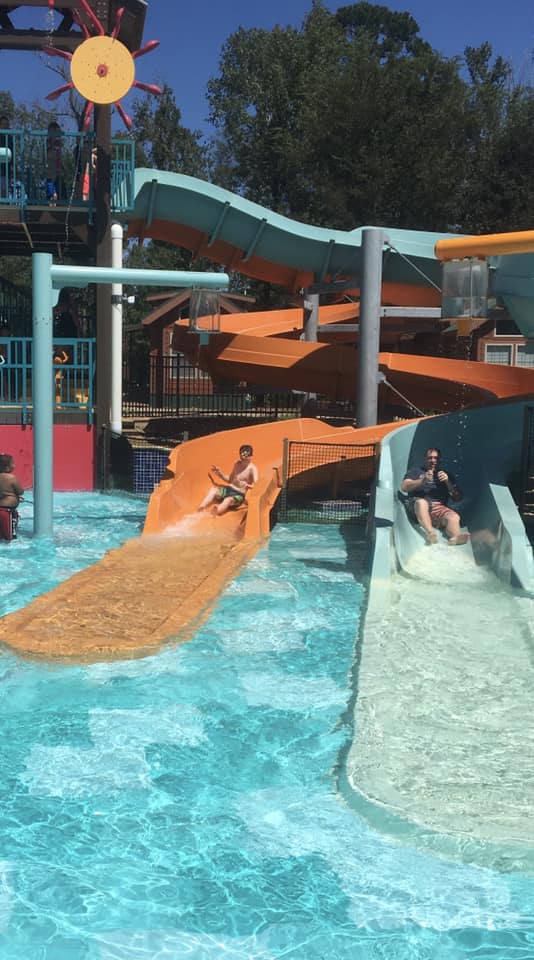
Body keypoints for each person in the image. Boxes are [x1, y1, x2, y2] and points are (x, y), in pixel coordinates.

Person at [401, 446, 469, 545]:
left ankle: (456, 537)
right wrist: (422, 480)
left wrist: (448, 482)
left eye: (436, 458)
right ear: (425, 459)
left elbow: (457, 498)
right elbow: (404, 487)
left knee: (454, 517)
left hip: (438, 509)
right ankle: (430, 532)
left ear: (439, 460)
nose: (433, 460)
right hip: (417, 505)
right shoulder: (416, 471)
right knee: (422, 503)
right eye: (430, 458)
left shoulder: (446, 475)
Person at [197, 444, 258, 516]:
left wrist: (247, 486)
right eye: (242, 455)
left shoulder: (252, 469)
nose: (243, 458)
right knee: (213, 490)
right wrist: (220, 474)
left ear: (251, 456)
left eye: (246, 455)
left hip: (238, 494)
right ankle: (201, 507)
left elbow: (258, 486)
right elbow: (230, 480)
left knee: (228, 500)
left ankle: (216, 511)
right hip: (229, 489)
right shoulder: (237, 464)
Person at [0, 453, 23, 541]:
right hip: (7, 511)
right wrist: (17, 497)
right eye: (12, 463)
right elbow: (20, 491)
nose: (14, 465)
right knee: (9, 538)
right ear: (7, 467)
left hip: (1, 507)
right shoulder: (11, 478)